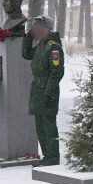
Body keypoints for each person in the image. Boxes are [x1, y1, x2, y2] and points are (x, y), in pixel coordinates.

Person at [22, 15, 64, 166]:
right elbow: (26, 54)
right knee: (39, 125)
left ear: (46, 29)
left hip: (47, 88)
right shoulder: (41, 45)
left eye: (38, 28)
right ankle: (46, 156)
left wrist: (49, 92)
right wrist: (28, 38)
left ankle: (52, 157)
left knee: (48, 125)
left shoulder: (53, 46)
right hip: (37, 89)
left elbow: (57, 72)